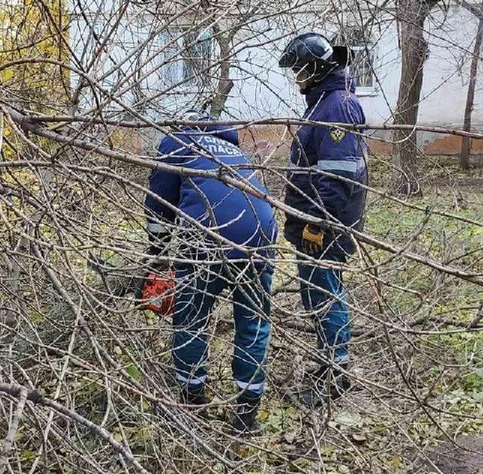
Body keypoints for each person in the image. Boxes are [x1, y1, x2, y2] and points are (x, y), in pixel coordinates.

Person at [144, 110, 278, 435]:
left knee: (190, 319)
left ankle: (192, 404)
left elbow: (159, 205)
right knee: (253, 325)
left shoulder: (177, 142)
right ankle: (247, 414)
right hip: (260, 237)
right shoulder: (235, 151)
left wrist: (158, 257)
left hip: (206, 238)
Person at [277, 32, 368, 407]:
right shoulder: (324, 103)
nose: (296, 76)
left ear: (315, 68)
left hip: (326, 224)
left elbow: (340, 174)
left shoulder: (336, 108)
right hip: (316, 220)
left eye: (299, 69)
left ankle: (335, 371)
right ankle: (328, 359)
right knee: (316, 292)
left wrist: (318, 222)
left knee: (324, 293)